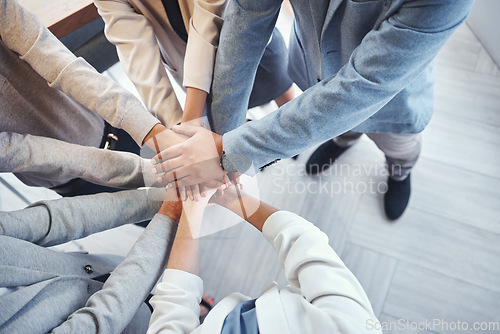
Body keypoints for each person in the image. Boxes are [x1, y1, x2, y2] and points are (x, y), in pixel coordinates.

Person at [149, 0, 475, 220]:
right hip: (314, 69)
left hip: (392, 100)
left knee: (400, 149)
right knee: (340, 128)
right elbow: (248, 15)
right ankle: (342, 141)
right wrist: (221, 136)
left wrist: (226, 150)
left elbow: (363, 86)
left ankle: (399, 172)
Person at [0, 0, 184, 196]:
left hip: (103, 122)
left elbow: (54, 59)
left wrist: (154, 131)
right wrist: (147, 171)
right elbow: (19, 151)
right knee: (163, 210)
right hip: (71, 175)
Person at [147, 184, 381, 333]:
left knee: (146, 310)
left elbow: (172, 312)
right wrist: (229, 196)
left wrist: (193, 205)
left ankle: (203, 315)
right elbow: (302, 242)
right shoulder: (352, 326)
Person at [0, 188, 181, 333]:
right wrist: (169, 216)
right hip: (130, 322)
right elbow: (99, 323)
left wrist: (163, 198)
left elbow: (51, 221)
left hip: (98, 275)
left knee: (178, 301)